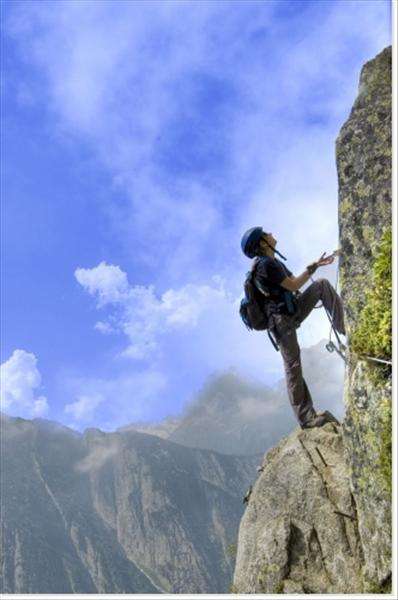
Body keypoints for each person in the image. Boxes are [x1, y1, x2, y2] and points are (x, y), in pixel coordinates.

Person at [240, 226, 345, 429]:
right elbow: (294, 285)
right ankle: (307, 418)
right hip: (280, 321)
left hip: (289, 313)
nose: (270, 233)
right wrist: (312, 269)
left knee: (321, 285)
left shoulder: (270, 263)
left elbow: (290, 286)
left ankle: (346, 329)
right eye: (266, 234)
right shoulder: (265, 265)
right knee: (293, 367)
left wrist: (314, 267)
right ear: (263, 243)